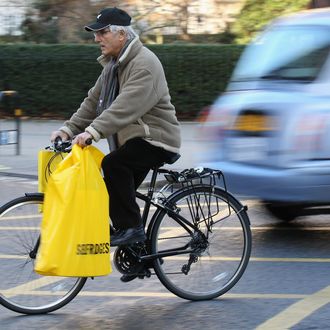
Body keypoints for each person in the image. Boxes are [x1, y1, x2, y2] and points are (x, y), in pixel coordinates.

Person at [51, 8, 181, 248]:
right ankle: (138, 253)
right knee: (112, 191)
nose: (96, 39)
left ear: (121, 35)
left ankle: (132, 230)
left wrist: (93, 132)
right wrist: (68, 129)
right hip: (133, 141)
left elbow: (126, 106)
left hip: (155, 139)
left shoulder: (144, 64)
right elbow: (93, 102)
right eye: (95, 33)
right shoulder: (113, 66)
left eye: (102, 33)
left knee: (114, 165)